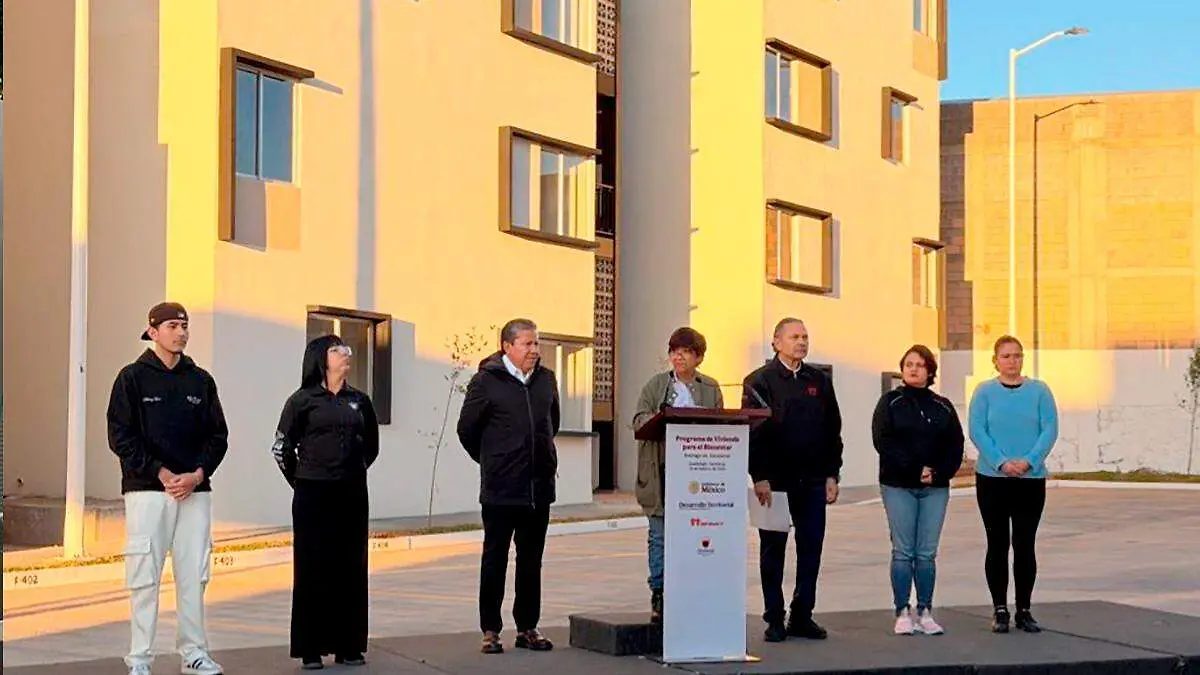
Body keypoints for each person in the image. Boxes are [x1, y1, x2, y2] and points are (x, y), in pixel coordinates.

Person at [107, 302, 228, 675]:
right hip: (148, 491)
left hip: (195, 492)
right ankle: (140, 658)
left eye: (185, 326)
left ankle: (193, 653)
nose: (181, 332)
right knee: (144, 575)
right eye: (173, 325)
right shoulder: (132, 378)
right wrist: (160, 473)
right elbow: (120, 436)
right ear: (153, 330)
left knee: (194, 573)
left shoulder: (201, 380)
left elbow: (218, 436)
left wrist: (196, 475)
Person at [272, 334, 380, 669]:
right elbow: (281, 448)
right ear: (321, 358)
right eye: (337, 350)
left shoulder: (359, 400)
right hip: (312, 493)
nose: (346, 355)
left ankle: (348, 645)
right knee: (312, 569)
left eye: (347, 350)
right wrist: (302, 479)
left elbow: (371, 446)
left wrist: (351, 470)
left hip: (351, 492)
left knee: (351, 566)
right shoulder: (301, 401)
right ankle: (310, 647)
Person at [457, 319, 560, 655]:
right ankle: (491, 630)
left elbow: (551, 423)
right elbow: (467, 431)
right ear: (508, 346)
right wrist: (493, 461)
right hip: (501, 488)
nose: (534, 350)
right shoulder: (486, 381)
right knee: (495, 559)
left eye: (536, 344)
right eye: (527, 344)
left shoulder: (546, 380)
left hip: (538, 487)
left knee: (531, 561)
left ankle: (527, 627)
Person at [742, 318, 843, 643]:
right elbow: (752, 434)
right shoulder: (759, 381)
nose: (801, 342)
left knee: (811, 550)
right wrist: (760, 477)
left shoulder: (819, 380)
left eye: (805, 336)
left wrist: (832, 473)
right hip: (776, 483)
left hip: (813, 481)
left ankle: (803, 615)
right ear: (776, 342)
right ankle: (774, 617)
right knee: (773, 550)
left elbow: (832, 430)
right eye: (794, 336)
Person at [632, 327, 724, 623]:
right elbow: (638, 420)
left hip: (697, 473)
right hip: (660, 473)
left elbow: (721, 423)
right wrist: (660, 417)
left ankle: (692, 589)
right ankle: (659, 591)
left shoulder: (709, 388)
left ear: (698, 356)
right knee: (659, 536)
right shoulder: (656, 385)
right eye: (673, 351)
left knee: (694, 535)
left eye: (685, 351)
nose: (678, 356)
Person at [968, 335, 1059, 634]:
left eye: (1017, 355)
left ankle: (1024, 609)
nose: (1012, 361)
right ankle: (1000, 609)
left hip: (1029, 480)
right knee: (997, 544)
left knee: (1024, 544)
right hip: (993, 479)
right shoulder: (984, 392)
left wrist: (1029, 461)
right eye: (1005, 356)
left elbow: (1049, 429)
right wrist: (1001, 462)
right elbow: (978, 431)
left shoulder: (1040, 391)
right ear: (995, 360)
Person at [872, 345, 964, 636]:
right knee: (903, 552)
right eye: (908, 364)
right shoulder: (890, 402)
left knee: (926, 553)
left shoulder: (943, 406)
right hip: (898, 486)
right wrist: (915, 470)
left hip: (934, 489)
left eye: (919, 365)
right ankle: (902, 611)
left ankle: (925, 610)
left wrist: (936, 473)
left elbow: (955, 445)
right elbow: (883, 442)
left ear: (930, 371)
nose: (913, 369)